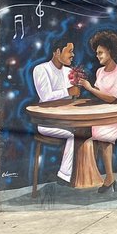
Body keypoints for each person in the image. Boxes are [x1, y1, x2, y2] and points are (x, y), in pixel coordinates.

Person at [76, 30, 117, 194]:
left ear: (110, 51)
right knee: (83, 130)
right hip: (101, 113)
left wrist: (90, 88)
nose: (98, 56)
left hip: (116, 114)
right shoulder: (100, 72)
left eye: (100, 53)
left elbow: (112, 98)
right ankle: (89, 176)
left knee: (101, 133)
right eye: (97, 53)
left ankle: (109, 178)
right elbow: (101, 96)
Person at [31, 39, 81, 186]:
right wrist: (69, 91)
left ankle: (84, 176)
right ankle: (64, 176)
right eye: (70, 51)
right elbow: (45, 97)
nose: (73, 55)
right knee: (75, 135)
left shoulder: (68, 72)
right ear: (57, 52)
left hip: (67, 120)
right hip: (47, 123)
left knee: (87, 132)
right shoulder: (41, 69)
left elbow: (71, 99)